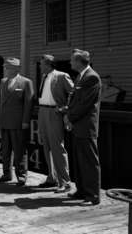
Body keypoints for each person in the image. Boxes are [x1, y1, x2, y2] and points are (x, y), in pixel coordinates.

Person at [66, 49, 102, 205]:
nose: (70, 62)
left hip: (86, 126)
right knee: (79, 160)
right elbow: (75, 100)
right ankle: (81, 190)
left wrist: (70, 117)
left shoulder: (91, 77)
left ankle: (93, 195)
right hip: (78, 125)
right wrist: (68, 114)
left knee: (89, 161)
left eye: (72, 60)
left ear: (80, 61)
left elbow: (85, 104)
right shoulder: (81, 76)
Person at [37, 54, 73, 193]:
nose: (40, 66)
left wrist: (65, 108)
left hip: (54, 112)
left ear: (48, 64)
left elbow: (73, 93)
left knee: (57, 147)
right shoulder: (45, 77)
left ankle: (65, 181)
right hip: (43, 112)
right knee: (46, 146)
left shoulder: (62, 76)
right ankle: (52, 178)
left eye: (41, 64)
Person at [0, 57, 34, 186]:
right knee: (5, 150)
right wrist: (0, 117)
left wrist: (25, 121)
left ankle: (21, 175)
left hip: (18, 122)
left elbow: (28, 104)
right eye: (5, 67)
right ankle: (6, 174)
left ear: (15, 69)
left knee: (19, 150)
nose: (5, 70)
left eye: (7, 67)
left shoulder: (26, 82)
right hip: (5, 121)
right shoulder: (3, 82)